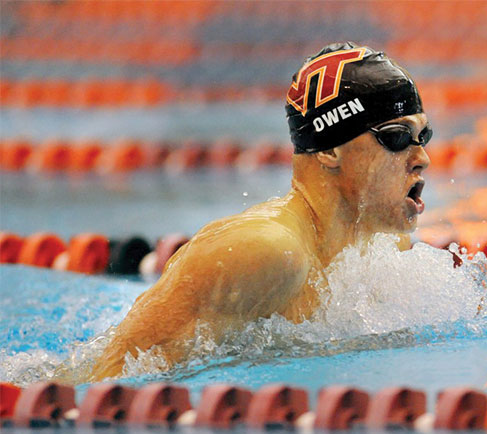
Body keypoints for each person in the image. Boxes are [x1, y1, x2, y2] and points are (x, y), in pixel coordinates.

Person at [90, 42, 431, 381]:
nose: (422, 158)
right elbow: (108, 383)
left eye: (423, 136)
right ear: (330, 150)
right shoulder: (266, 251)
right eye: (397, 138)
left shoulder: (380, 249)